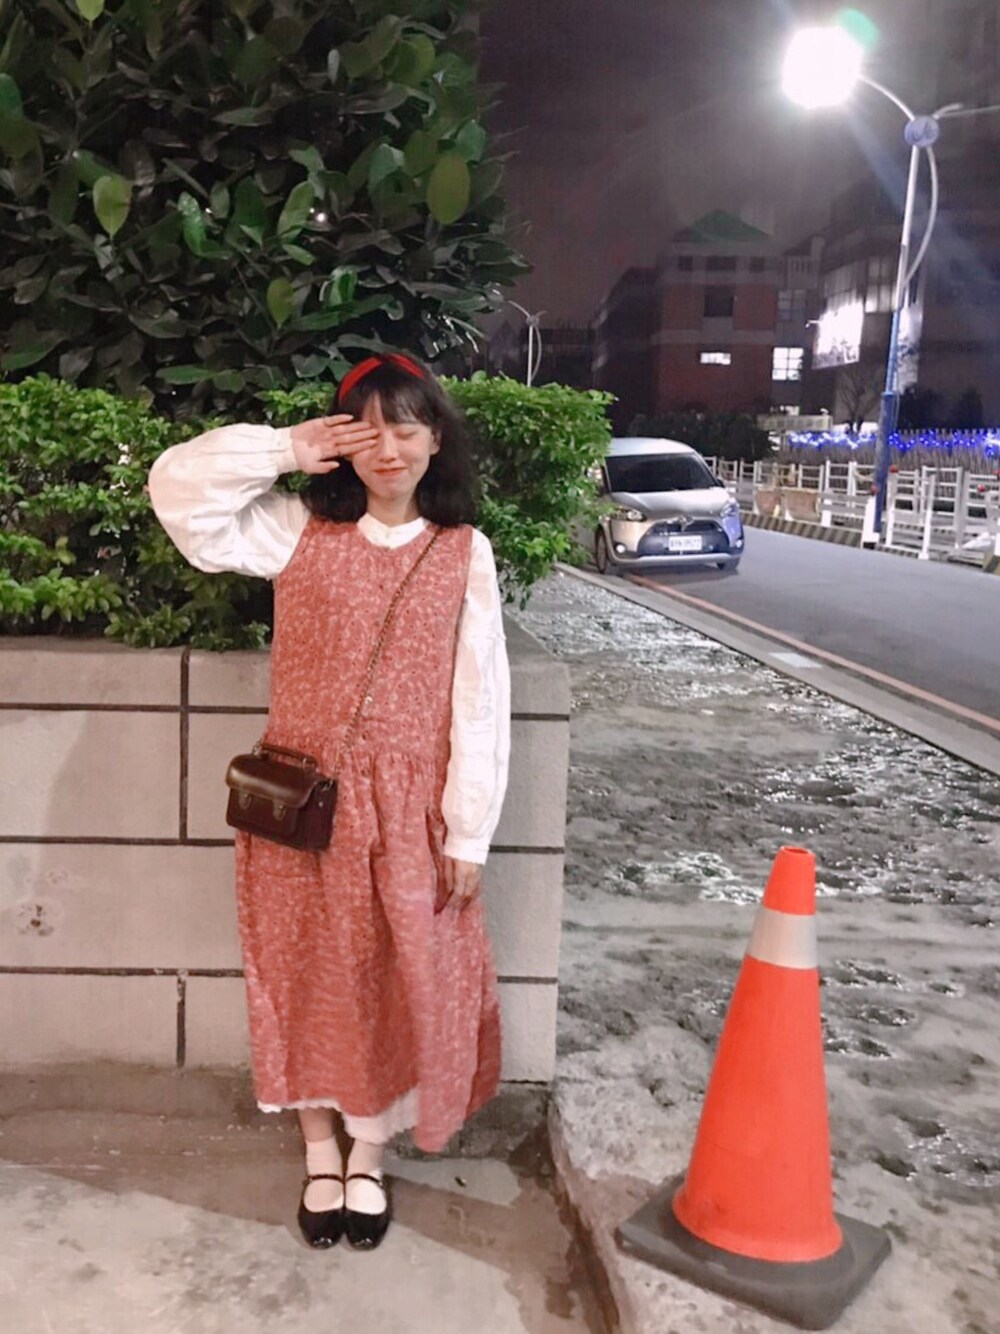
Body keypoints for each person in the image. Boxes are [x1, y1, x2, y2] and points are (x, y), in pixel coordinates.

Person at [147, 351, 511, 1251]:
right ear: (344, 443)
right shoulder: (295, 531)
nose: (389, 448)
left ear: (436, 439)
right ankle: (319, 1150)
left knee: (393, 980)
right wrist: (283, 449)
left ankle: (369, 1155)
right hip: (304, 810)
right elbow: (178, 493)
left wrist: (469, 832)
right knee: (305, 974)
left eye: (406, 428)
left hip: (411, 815)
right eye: (368, 430)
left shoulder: (463, 552)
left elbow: (481, 699)